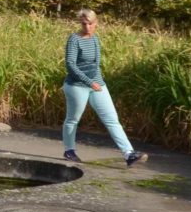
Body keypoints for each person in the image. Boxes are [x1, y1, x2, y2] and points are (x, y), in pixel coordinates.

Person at [63, 9, 147, 167]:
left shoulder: (95, 39)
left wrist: (98, 83)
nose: (87, 27)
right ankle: (69, 150)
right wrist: (89, 82)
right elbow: (70, 65)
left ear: (96, 24)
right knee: (73, 119)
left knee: (112, 120)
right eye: (84, 24)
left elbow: (96, 65)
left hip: (97, 84)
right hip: (76, 85)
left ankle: (129, 154)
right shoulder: (74, 39)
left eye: (90, 24)